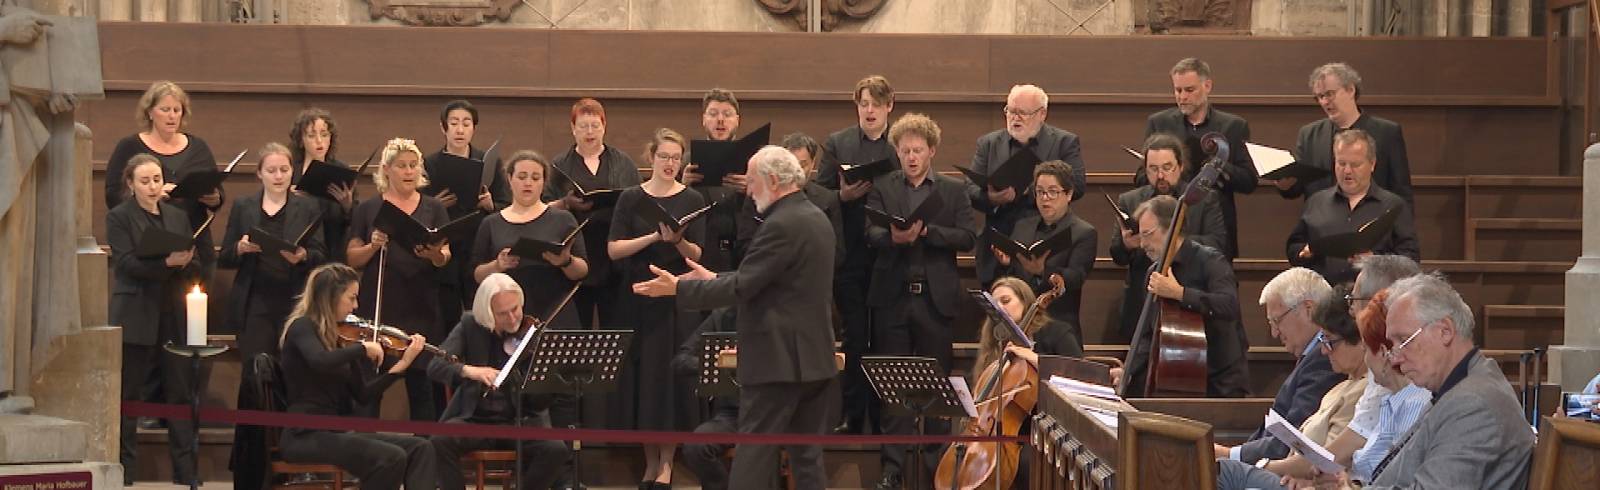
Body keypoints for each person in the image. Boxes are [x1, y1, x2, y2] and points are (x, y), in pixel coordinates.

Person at [634, 145, 839, 490]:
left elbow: (745, 286)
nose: (749, 189)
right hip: (813, 360)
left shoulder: (781, 224)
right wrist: (712, 279)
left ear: (773, 180)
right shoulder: (814, 217)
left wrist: (677, 290)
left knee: (753, 454)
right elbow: (769, 280)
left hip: (778, 361)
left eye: (754, 180)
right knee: (806, 458)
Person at [1311, 273, 1534, 489]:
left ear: (1444, 331)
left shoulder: (1473, 403)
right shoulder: (1461, 386)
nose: (1395, 357)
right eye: (1392, 344)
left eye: (1403, 340)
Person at [865, 113, 977, 489]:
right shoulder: (883, 186)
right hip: (893, 297)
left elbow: (967, 237)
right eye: (904, 150)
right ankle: (892, 468)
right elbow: (871, 232)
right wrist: (893, 238)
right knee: (893, 383)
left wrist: (928, 232)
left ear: (932, 150)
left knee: (936, 388)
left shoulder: (951, 189)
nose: (911, 157)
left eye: (917, 150)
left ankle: (937, 466)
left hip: (935, 299)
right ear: (896, 152)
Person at [221, 143, 328, 490]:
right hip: (256, 304)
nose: (279, 176)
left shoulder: (308, 206)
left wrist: (304, 256)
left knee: (295, 381)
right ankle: (251, 464)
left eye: (284, 169)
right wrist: (239, 248)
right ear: (259, 174)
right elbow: (224, 256)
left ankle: (298, 461)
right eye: (272, 170)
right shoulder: (244, 206)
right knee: (254, 382)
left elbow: (321, 252)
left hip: (295, 303)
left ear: (291, 172)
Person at [276, 263, 437, 489]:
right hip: (304, 435)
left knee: (421, 448)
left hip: (334, 432)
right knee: (390, 457)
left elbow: (363, 394)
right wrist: (362, 349)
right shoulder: (303, 327)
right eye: (351, 298)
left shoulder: (341, 338)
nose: (356, 305)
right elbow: (319, 361)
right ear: (330, 297)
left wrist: (402, 365)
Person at [607, 128, 707, 489]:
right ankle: (651, 460)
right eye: (664, 156)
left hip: (677, 300)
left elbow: (699, 255)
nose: (669, 163)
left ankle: (667, 461)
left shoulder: (693, 197)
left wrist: (678, 241)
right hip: (636, 297)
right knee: (644, 381)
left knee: (671, 381)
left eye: (676, 158)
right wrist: (653, 236)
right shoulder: (632, 198)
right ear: (651, 158)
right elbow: (613, 249)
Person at [106, 154, 208, 486]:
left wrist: (187, 260)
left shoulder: (177, 217)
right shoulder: (120, 217)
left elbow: (196, 260)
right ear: (131, 184)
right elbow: (124, 264)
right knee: (131, 394)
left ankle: (186, 473)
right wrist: (167, 263)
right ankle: (126, 471)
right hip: (137, 311)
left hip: (173, 311)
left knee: (180, 392)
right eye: (145, 181)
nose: (152, 187)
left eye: (156, 180)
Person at [1266, 289, 1430, 487]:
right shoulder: (1391, 401)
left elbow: (1395, 481)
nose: (1366, 359)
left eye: (1367, 349)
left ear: (1385, 353)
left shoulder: (1417, 404)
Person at [427, 273, 571, 490]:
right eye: (503, 314)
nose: (513, 318)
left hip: (519, 421)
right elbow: (435, 366)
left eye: (515, 309)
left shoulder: (536, 335)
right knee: (439, 442)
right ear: (487, 313)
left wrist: (548, 379)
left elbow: (541, 402)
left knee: (555, 449)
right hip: (475, 420)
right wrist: (470, 371)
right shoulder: (470, 326)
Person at [814, 75, 900, 434]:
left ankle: (881, 418)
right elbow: (815, 193)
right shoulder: (838, 142)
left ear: (888, 107)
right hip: (848, 253)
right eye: (864, 103)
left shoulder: (900, 145)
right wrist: (842, 197)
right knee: (853, 336)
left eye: (876, 104)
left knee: (882, 337)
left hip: (887, 255)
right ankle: (852, 415)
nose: (869, 110)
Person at [1216, 289, 1368, 489]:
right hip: (1295, 479)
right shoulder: (1341, 387)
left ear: (1361, 342)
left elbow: (1329, 462)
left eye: (1330, 341)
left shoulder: (1362, 391)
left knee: (1223, 471)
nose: (1323, 350)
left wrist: (1264, 467)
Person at [346, 137, 451, 422]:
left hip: (421, 305)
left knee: (423, 390)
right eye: (402, 166)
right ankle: (366, 454)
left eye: (413, 166)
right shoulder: (368, 209)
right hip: (380, 304)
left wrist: (433, 255)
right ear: (387, 170)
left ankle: (425, 456)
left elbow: (445, 255)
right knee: (372, 386)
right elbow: (352, 258)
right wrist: (372, 246)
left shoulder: (433, 208)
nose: (408, 172)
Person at [1118, 195, 1250, 398]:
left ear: (1172, 229)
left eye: (1147, 234)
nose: (1142, 244)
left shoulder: (1211, 260)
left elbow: (1229, 305)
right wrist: (1128, 370)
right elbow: (1148, 335)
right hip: (1180, 379)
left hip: (1222, 380)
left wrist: (1179, 293)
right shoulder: (1154, 272)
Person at [1214, 267, 1342, 461]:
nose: (1274, 333)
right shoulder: (1313, 356)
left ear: (1309, 309)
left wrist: (1228, 455)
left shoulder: (1325, 358)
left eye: (1277, 321)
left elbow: (1292, 440)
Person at [1111, 133, 1228, 341]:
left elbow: (1217, 242)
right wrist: (1128, 245)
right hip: (1142, 301)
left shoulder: (1204, 199)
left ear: (1181, 166)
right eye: (1153, 169)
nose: (1160, 176)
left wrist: (1172, 242)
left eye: (1167, 168)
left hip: (1191, 298)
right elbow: (1117, 255)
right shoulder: (1130, 200)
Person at [967, 84, 1086, 287]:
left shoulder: (1064, 142)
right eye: (1010, 111)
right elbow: (970, 189)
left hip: (1044, 247)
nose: (1015, 118)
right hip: (998, 248)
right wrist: (992, 198)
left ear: (1042, 114)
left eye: (1022, 112)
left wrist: (1026, 192)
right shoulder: (988, 143)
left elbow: (1077, 185)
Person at [1141, 57, 1258, 259]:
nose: (1182, 97)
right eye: (1177, 90)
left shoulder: (1234, 126)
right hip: (1168, 220)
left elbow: (1249, 181)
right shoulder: (1159, 123)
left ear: (1207, 86)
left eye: (1189, 90)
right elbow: (1140, 177)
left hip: (1213, 224)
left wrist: (1221, 167)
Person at [546, 98, 641, 330]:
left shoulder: (623, 162)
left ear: (604, 126)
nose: (590, 132)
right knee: (577, 327)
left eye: (595, 126)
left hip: (613, 253)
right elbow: (544, 206)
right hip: (577, 251)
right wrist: (566, 203)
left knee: (615, 326)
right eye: (583, 126)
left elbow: (638, 201)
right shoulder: (560, 164)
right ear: (573, 128)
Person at [423, 99, 510, 349]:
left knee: (482, 317)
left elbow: (506, 206)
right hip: (445, 253)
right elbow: (419, 208)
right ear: (444, 128)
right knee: (446, 323)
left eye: (466, 123)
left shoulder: (489, 160)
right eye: (454, 123)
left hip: (479, 250)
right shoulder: (430, 164)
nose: (460, 129)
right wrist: (434, 203)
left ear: (474, 128)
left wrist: (491, 204)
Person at [1286, 129, 1420, 285]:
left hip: (1374, 298)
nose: (1347, 171)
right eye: (1341, 163)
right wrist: (1304, 252)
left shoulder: (1394, 205)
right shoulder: (1316, 202)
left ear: (1372, 164)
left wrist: (1375, 261)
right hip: (1325, 297)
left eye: (1355, 164)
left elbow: (1411, 260)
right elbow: (1294, 247)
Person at [472, 150, 590, 325]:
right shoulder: (491, 223)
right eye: (522, 177)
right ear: (510, 179)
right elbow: (476, 274)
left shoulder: (563, 219)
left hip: (556, 311)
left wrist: (565, 261)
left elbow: (582, 270)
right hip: (508, 315)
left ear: (543, 183)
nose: (528, 183)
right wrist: (497, 265)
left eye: (535, 178)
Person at [990, 160, 1095, 345]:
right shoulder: (1023, 226)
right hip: (1021, 326)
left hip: (1058, 326)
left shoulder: (1083, 232)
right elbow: (1016, 277)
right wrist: (1009, 262)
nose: (1045, 198)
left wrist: (1042, 271)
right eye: (1040, 192)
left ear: (1068, 194)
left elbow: (1076, 277)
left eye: (1053, 192)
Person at [1277, 63, 1413, 204]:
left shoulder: (1387, 132)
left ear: (1350, 90)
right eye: (1319, 96)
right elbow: (1296, 189)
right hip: (1322, 222)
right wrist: (1285, 185)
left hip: (1372, 220)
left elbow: (1402, 192)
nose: (1324, 102)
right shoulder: (1309, 135)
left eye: (1329, 94)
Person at [104, 81, 223, 239]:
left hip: (194, 240)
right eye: (165, 109)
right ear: (150, 113)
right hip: (148, 237)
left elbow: (218, 192)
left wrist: (215, 199)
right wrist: (149, 198)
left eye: (177, 110)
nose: (172, 116)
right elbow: (113, 196)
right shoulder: (129, 147)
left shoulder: (198, 147)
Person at [681, 88, 749, 272]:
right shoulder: (687, 161)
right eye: (713, 114)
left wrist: (752, 190)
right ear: (703, 119)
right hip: (703, 252)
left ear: (737, 120)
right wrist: (682, 187)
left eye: (727, 114)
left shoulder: (754, 161)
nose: (720, 120)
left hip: (744, 253)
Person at [288, 108, 358, 263]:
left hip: (332, 253)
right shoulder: (290, 171)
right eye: (311, 135)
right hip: (298, 255)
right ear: (301, 140)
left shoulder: (342, 171)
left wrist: (348, 206)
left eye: (324, 134)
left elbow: (356, 223)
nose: (319, 141)